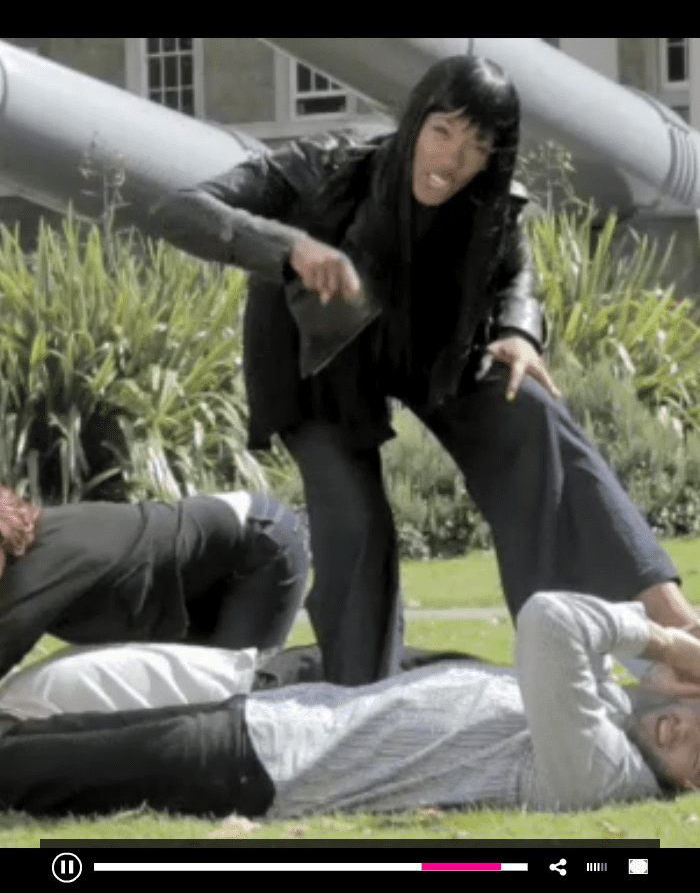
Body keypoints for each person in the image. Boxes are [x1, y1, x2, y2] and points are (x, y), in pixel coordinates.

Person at [150, 55, 696, 686]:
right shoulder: (322, 169)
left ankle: (668, 626)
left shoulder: (490, 204)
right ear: (415, 123)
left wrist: (519, 333)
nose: (453, 161)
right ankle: (366, 697)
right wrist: (291, 248)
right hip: (320, 370)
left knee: (531, 411)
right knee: (358, 528)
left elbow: (516, 276)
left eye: (477, 147)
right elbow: (180, 210)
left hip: (435, 353)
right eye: (443, 132)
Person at [1, 590, 699, 818]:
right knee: (43, 738)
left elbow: (553, 620)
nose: (683, 732)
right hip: (267, 724)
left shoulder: (603, 771)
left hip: (258, 770)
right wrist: (669, 670)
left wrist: (672, 643)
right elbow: (594, 637)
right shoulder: (611, 712)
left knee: (30, 768)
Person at [0, 486, 309, 683]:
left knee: (231, 697)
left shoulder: (38, 569)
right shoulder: (38, 543)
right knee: (190, 706)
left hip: (259, 546)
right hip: (222, 564)